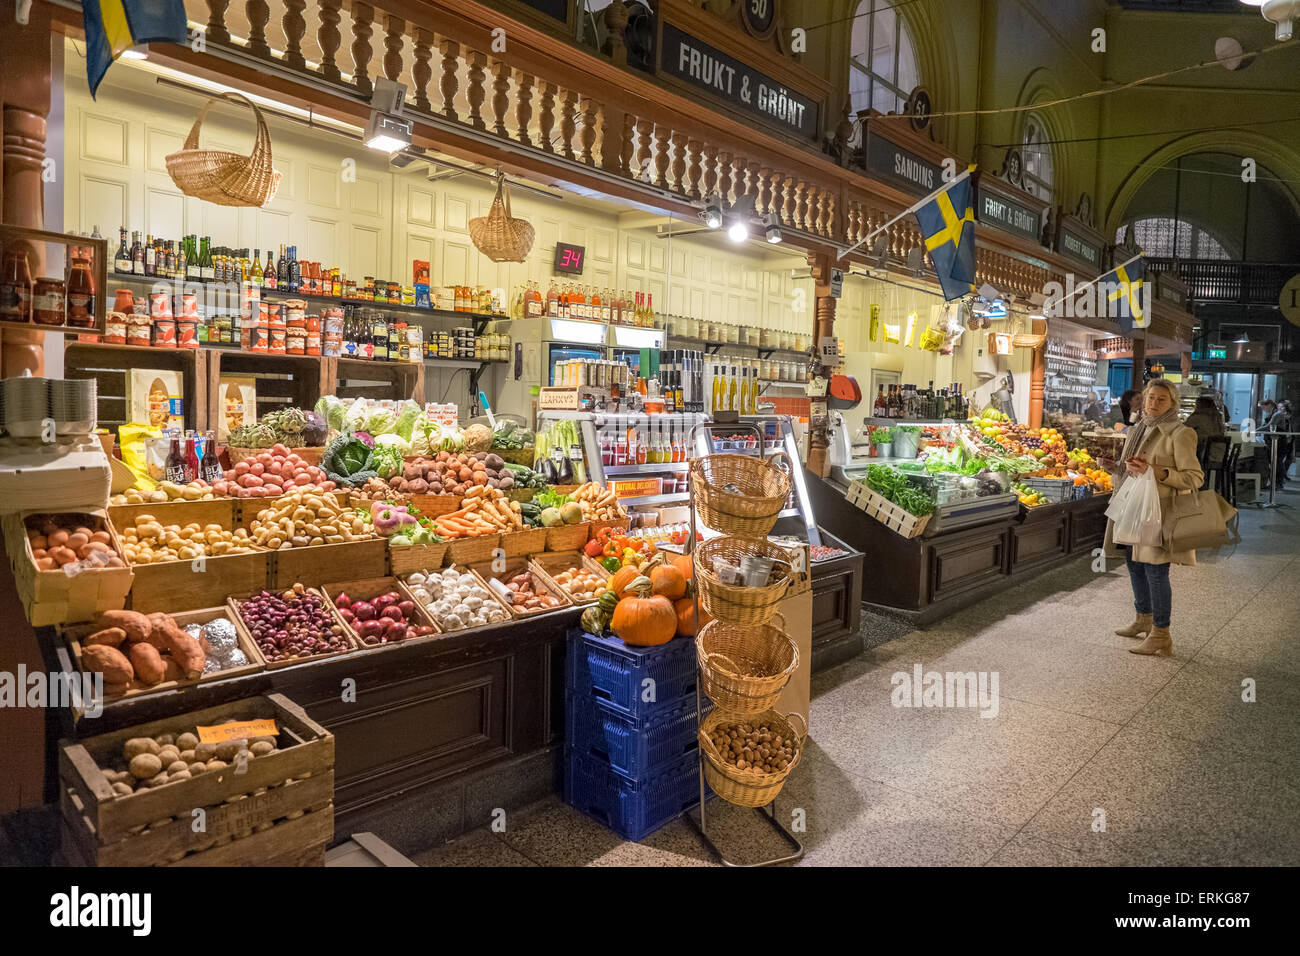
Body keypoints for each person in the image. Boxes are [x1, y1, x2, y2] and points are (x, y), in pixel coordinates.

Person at [1103, 379, 1205, 657]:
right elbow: (1131, 470)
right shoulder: (1138, 429)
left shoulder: (1180, 433)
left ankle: (1161, 633)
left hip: (1159, 512)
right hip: (1133, 507)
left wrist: (1159, 472)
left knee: (1156, 571)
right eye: (1150, 398)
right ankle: (1143, 619)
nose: (1154, 403)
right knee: (1134, 564)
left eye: (1162, 399)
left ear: (1172, 403)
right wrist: (1115, 467)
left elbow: (1195, 477)